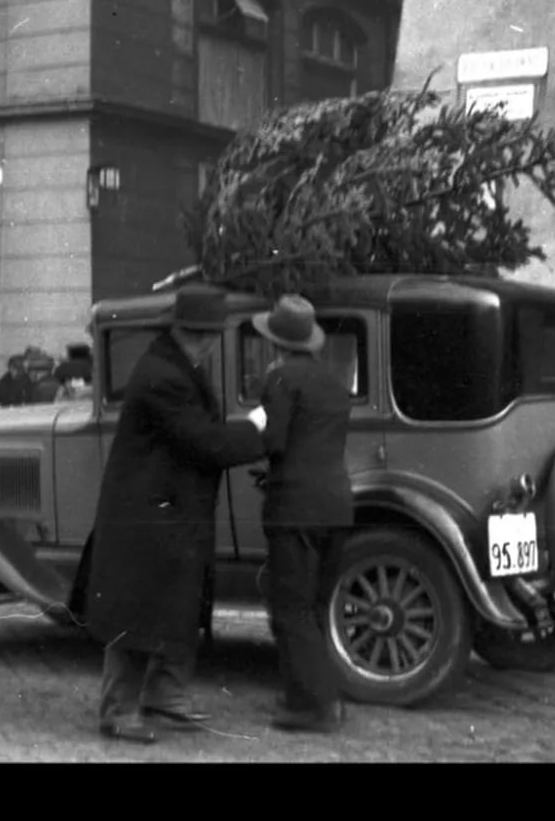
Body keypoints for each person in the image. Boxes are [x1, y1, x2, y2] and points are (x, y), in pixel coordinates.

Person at [83, 284, 266, 744]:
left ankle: (165, 694)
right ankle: (118, 711)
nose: (213, 340)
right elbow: (205, 443)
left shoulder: (176, 364)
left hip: (165, 510)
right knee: (138, 612)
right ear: (196, 333)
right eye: (210, 332)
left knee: (172, 607)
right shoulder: (165, 374)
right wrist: (258, 426)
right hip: (148, 514)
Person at [251, 295, 353, 733]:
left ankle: (319, 706)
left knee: (289, 608)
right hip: (337, 506)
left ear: (276, 342)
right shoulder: (334, 383)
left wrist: (255, 424)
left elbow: (274, 441)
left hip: (293, 507)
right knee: (312, 607)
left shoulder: (281, 379)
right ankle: (302, 694)